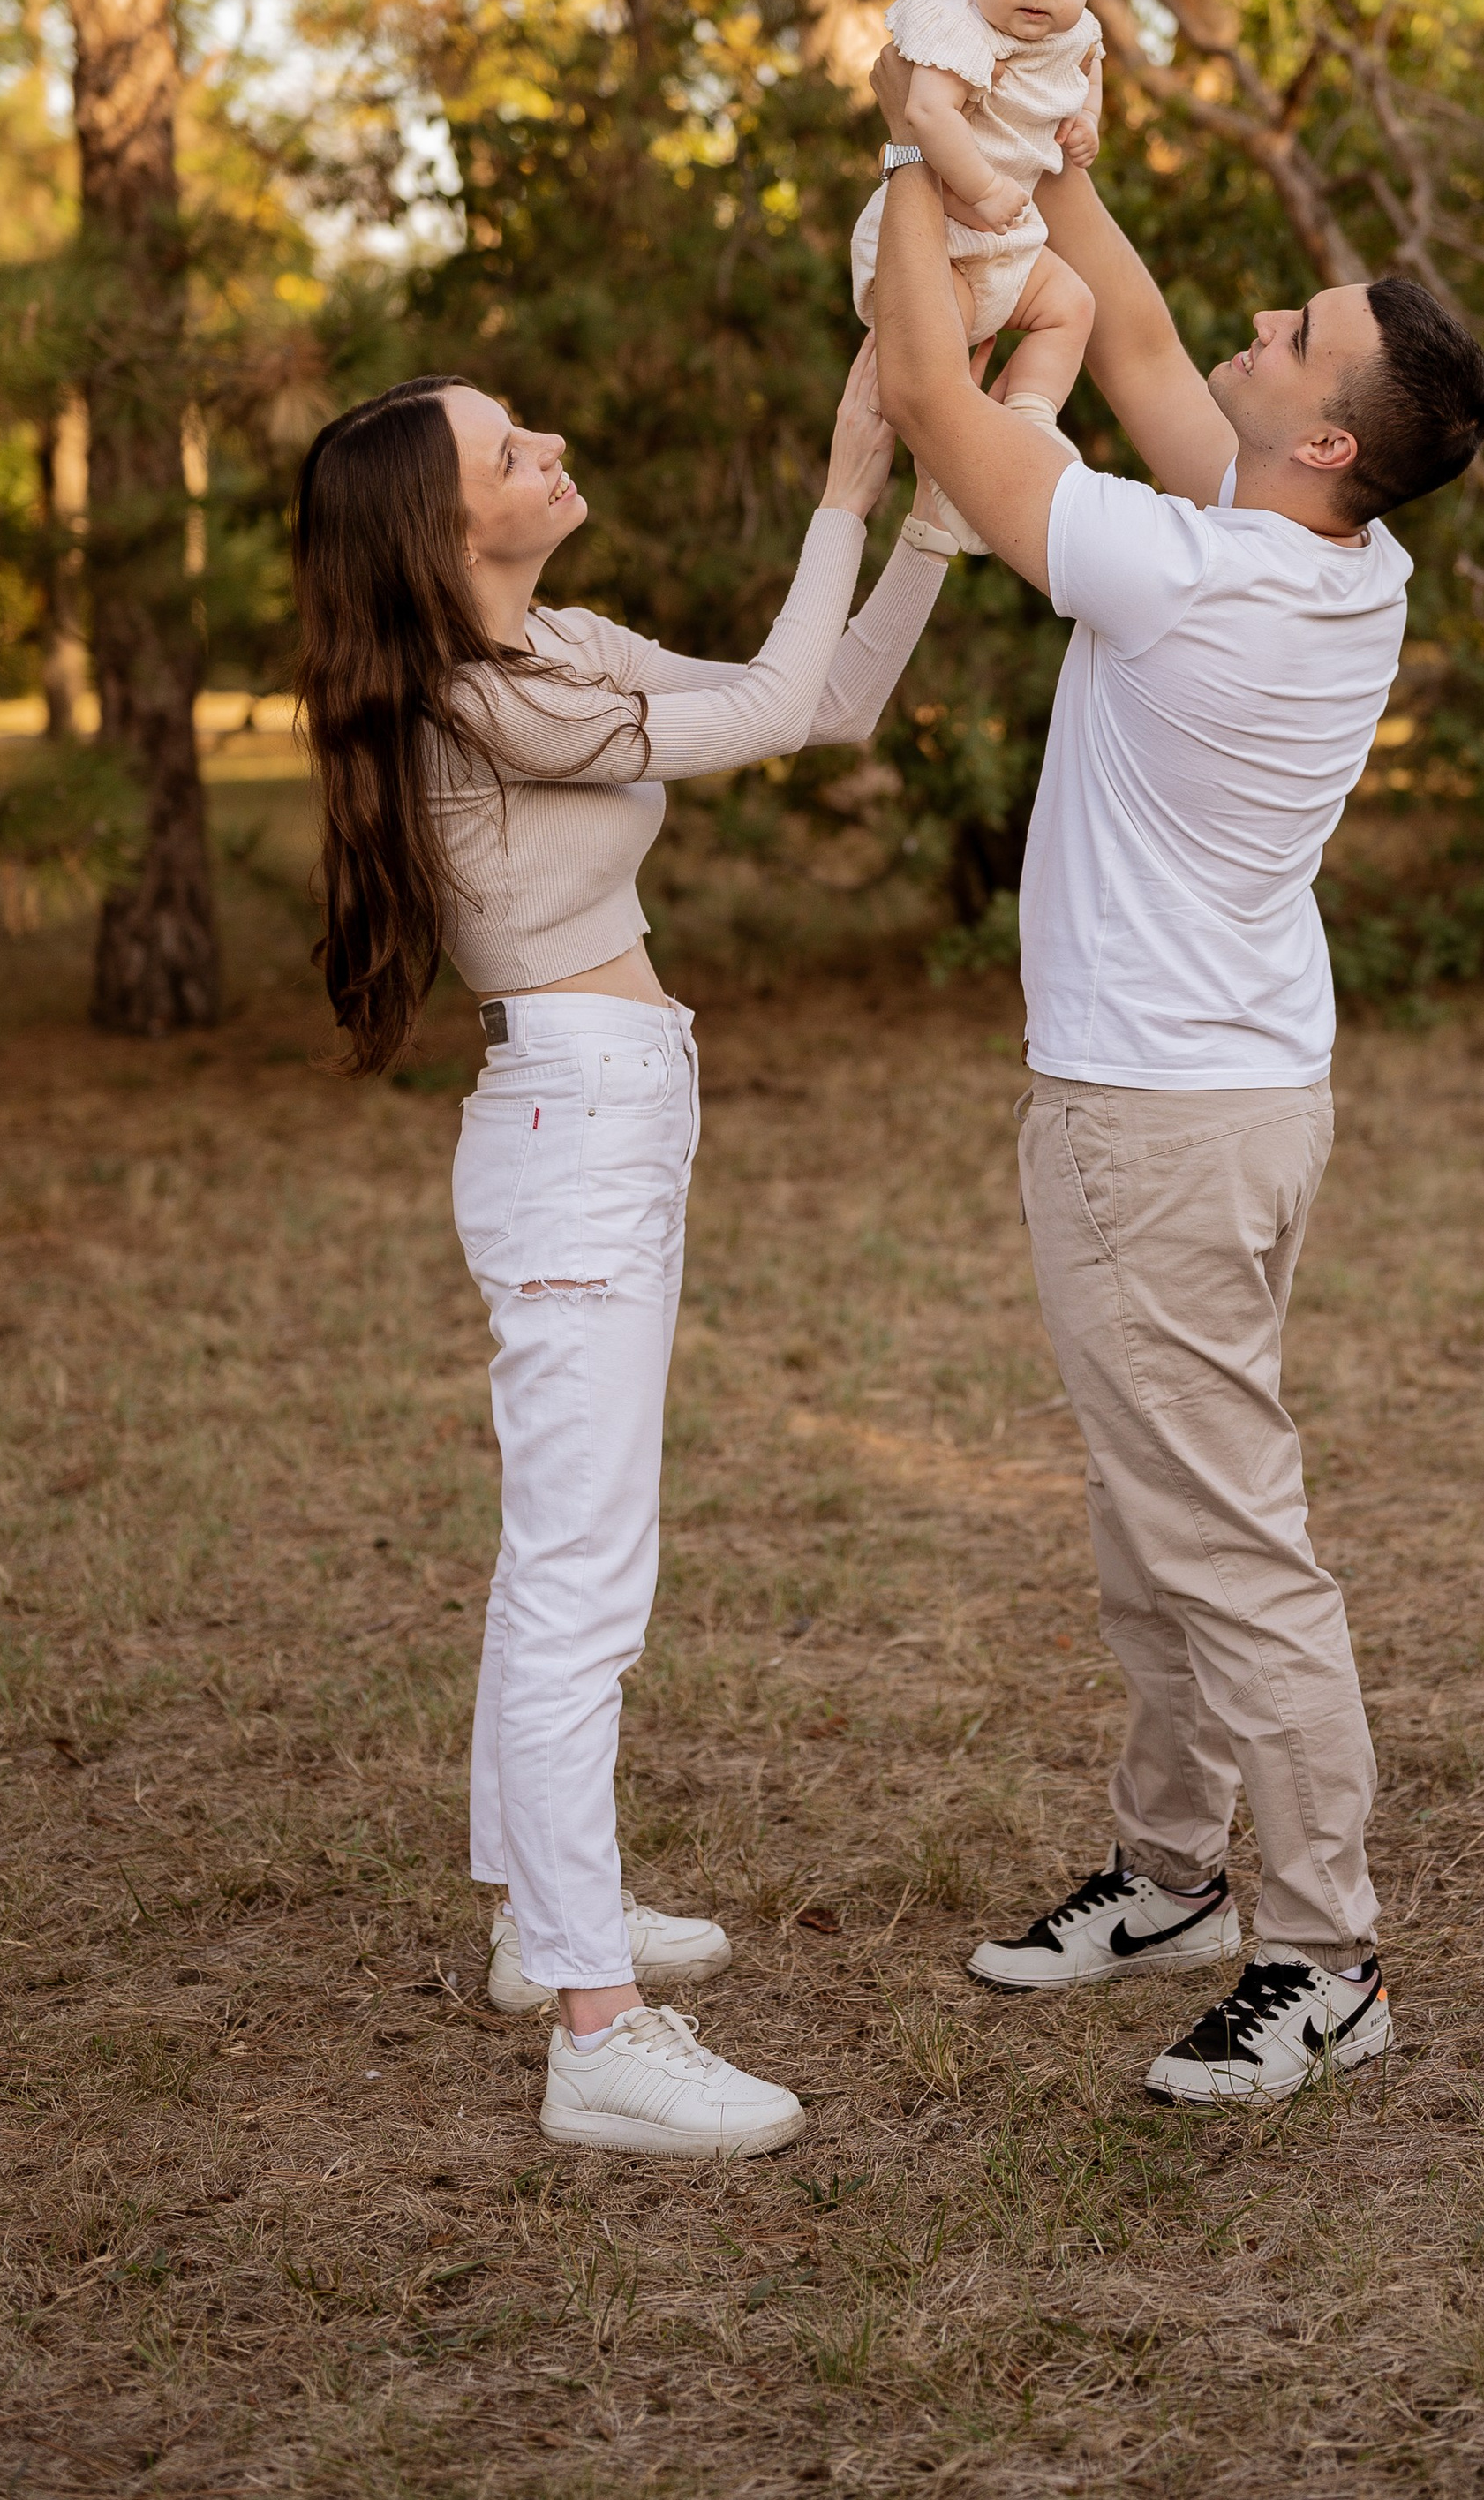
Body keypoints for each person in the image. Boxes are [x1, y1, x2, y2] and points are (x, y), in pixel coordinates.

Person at [867, 54, 1484, 2109]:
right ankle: (1169, 1873)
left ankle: (1324, 1957)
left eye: (1295, 331)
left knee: (1227, 1542)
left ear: (1320, 435)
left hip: (1155, 1122)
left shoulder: (1195, 572)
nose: (1255, 316)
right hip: (1225, 1100)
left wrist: (915, 154)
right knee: (1162, 1510)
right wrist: (1046, 156)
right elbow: (1133, 340)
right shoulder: (1331, 550)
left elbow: (935, 403)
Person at [290, 347, 953, 2158]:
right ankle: (595, 2028)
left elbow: (818, 703)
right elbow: (767, 713)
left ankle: (541, 1920)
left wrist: (930, 525)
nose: (551, 442)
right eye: (509, 448)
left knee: (577, 1565)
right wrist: (846, 478)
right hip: (570, 1128)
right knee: (578, 1580)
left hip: (613, 1109)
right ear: (443, 533)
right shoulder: (473, 701)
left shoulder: (556, 647)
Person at [849, 0, 1107, 550]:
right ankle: (953, 477)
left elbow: (1090, 68)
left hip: (1009, 242)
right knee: (944, 365)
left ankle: (1031, 414)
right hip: (935, 238)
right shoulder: (956, 25)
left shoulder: (1076, 30)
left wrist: (1086, 121)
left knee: (1072, 306)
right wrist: (985, 187)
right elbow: (925, 113)